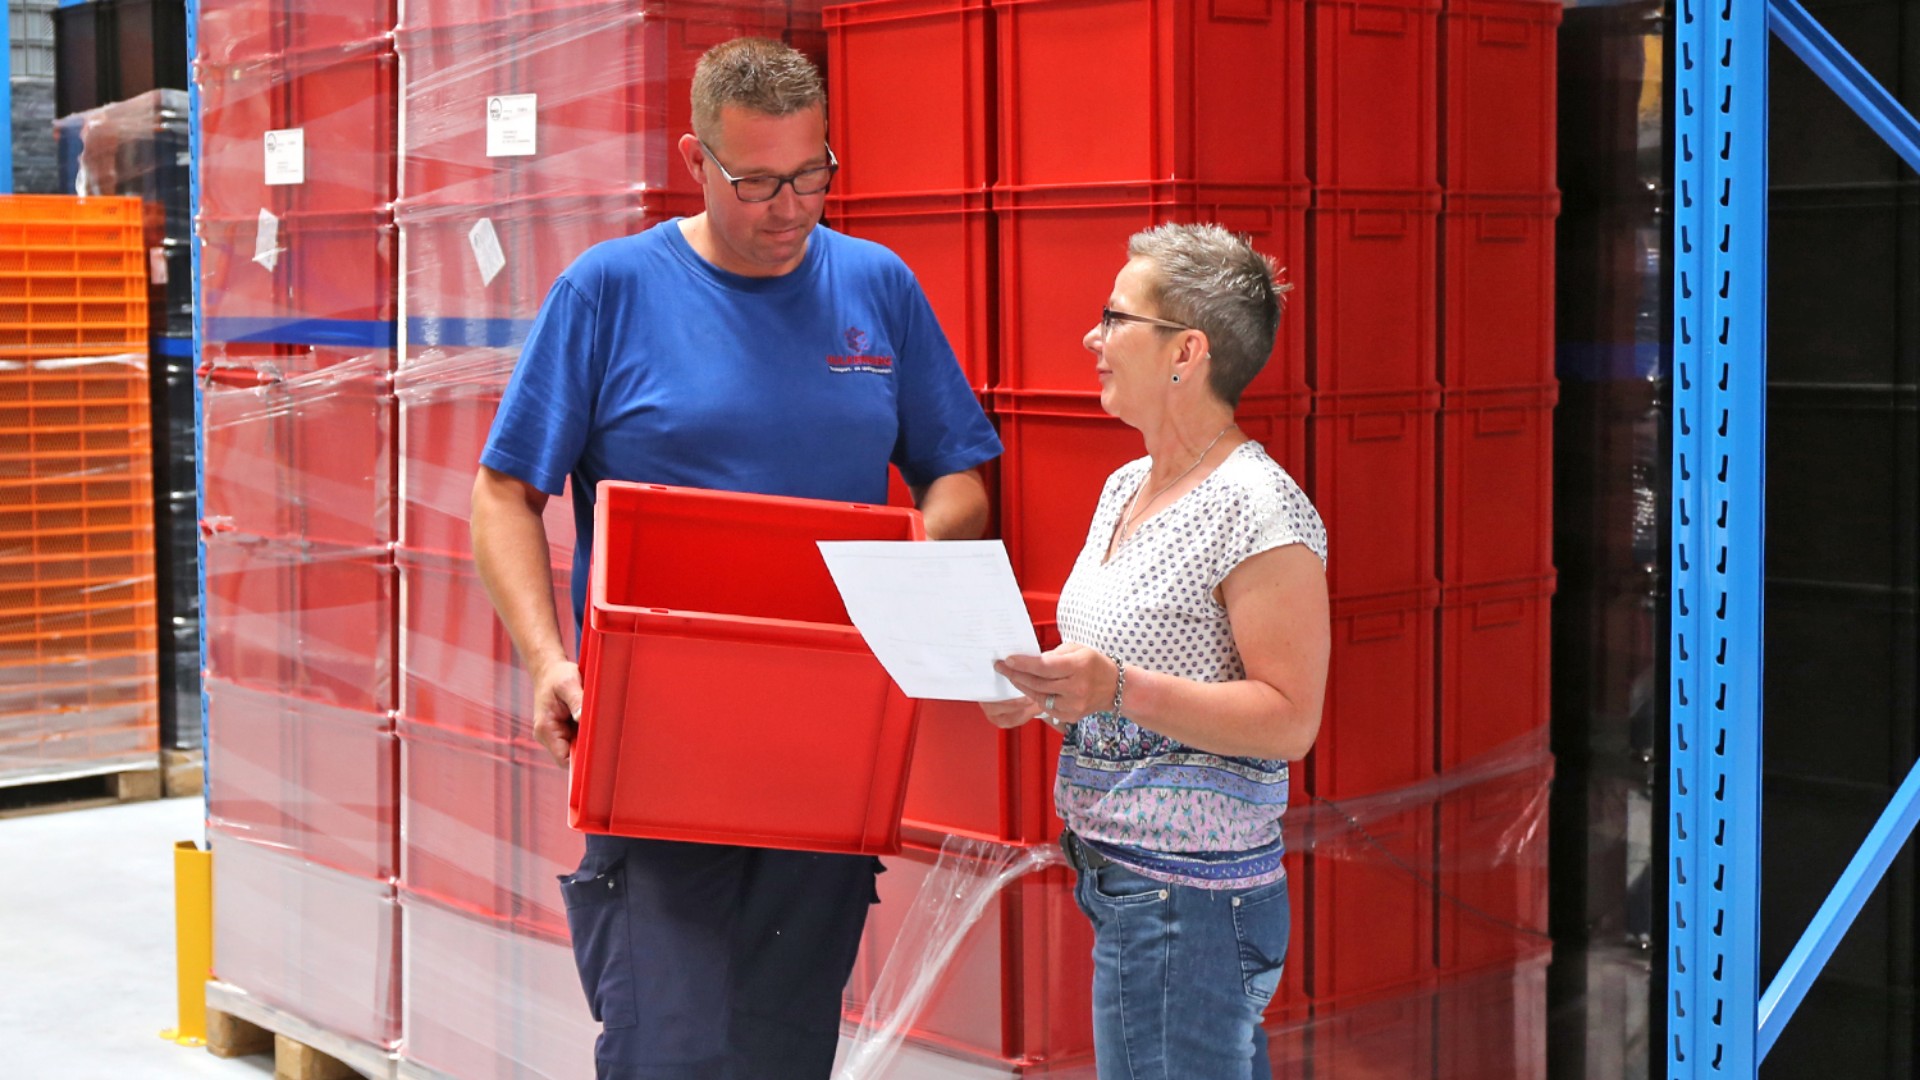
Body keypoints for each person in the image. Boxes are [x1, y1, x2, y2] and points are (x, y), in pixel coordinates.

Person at [468, 37, 1001, 1080]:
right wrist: (547, 661)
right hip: (658, 743)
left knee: (785, 1045)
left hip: (826, 747)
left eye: (813, 175)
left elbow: (961, 480)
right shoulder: (610, 290)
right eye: (756, 181)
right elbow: (503, 495)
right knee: (668, 1045)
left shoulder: (877, 286)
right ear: (694, 160)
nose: (790, 207)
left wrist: (902, 562)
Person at [986, 223, 1330, 1080]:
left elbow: (1290, 719)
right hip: (1127, 883)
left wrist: (1113, 688)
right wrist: (1045, 689)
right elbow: (1113, 667)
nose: (1091, 339)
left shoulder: (1259, 510)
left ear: (1186, 352)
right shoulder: (1124, 486)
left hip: (1192, 902)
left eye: (1115, 319)